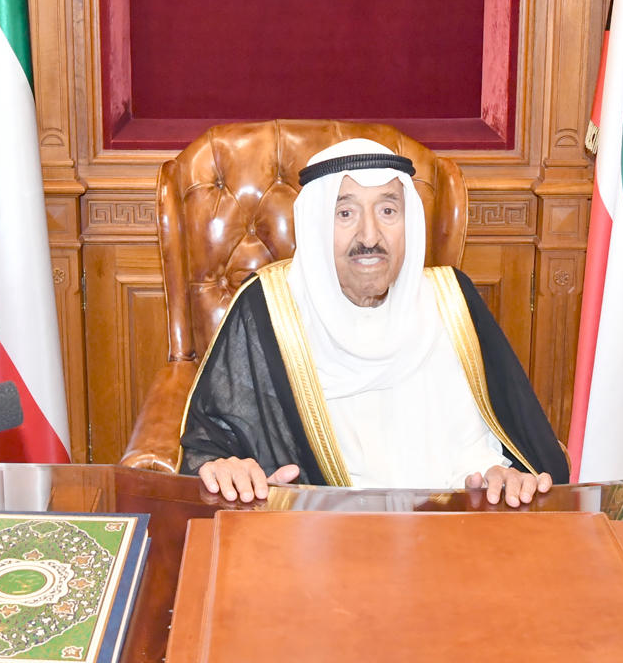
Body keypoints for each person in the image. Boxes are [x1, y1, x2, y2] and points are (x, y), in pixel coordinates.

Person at [179, 138, 570, 506]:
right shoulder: (269, 308)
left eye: (387, 211)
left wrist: (504, 476)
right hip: (319, 542)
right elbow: (211, 448)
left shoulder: (452, 301)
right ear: (316, 226)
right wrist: (229, 470)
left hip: (450, 535)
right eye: (345, 213)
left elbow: (509, 446)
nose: (369, 235)